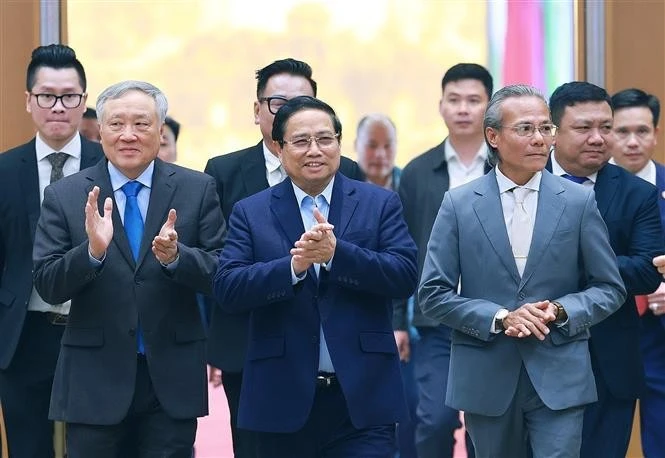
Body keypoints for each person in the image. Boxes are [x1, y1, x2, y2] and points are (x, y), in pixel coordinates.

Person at [418, 84, 626, 458]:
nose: (539, 139)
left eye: (545, 128)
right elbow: (433, 294)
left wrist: (560, 310)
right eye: (525, 129)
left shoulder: (578, 201)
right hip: (487, 370)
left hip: (560, 370)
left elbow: (609, 287)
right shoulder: (459, 204)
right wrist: (499, 317)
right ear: (493, 136)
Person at [213, 95, 417, 457]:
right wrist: (293, 268)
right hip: (279, 399)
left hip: (362, 399)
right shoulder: (251, 211)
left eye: (325, 139)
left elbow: (404, 275)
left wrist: (338, 255)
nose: (315, 150)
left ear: (339, 142)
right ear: (278, 148)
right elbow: (228, 288)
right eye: (301, 141)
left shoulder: (379, 203)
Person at [32, 80, 226, 458]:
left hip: (170, 379)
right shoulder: (66, 195)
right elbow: (48, 284)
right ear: (100, 131)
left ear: (160, 129)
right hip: (94, 381)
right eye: (117, 124)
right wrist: (91, 252)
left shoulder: (197, 189)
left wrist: (176, 258)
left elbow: (223, 273)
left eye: (141, 124)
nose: (128, 135)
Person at [204, 58, 363, 458]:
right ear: (257, 110)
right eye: (278, 102)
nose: (290, 110)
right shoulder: (223, 171)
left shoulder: (349, 171)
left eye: (303, 100)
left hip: (331, 345)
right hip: (253, 341)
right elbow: (222, 262)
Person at [548, 81, 663, 458]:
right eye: (584, 128)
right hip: (533, 355)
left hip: (609, 359)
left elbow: (648, 270)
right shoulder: (522, 182)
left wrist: (576, 261)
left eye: (605, 127)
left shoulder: (636, 193)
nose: (598, 138)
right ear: (553, 131)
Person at [0, 44, 103, 458]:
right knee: (29, 449)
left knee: (97, 446)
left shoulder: (110, 164)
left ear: (83, 100)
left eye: (69, 96)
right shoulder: (5, 171)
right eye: (46, 95)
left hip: (96, 330)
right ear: (28, 101)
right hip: (24, 334)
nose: (57, 106)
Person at [395, 62, 493, 458]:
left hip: (498, 319)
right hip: (438, 320)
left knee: (488, 427)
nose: (464, 109)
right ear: (441, 106)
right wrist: (397, 322)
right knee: (433, 421)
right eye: (455, 100)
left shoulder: (509, 166)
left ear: (491, 105)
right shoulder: (419, 172)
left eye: (474, 100)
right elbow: (400, 251)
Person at [608, 87, 665, 457]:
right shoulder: (582, 189)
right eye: (621, 131)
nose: (632, 141)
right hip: (607, 329)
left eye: (642, 131)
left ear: (656, 134)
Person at [354, 114, 401, 190]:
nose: (380, 154)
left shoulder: (409, 183)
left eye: (387, 146)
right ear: (356, 145)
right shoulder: (339, 184)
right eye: (372, 145)